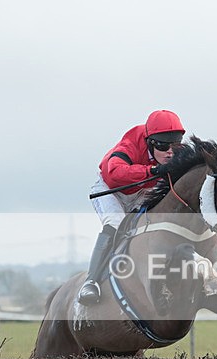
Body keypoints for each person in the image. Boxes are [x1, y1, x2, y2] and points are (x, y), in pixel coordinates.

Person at [78, 110, 185, 305]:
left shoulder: (174, 152)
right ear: (150, 142)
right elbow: (115, 173)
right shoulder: (131, 143)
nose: (170, 152)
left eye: (175, 145)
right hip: (112, 189)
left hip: (142, 192)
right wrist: (152, 170)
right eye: (163, 146)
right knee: (116, 223)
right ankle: (91, 281)